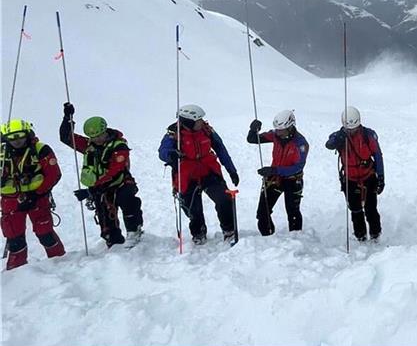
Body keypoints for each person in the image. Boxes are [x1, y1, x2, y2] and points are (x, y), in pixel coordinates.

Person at [60, 103, 144, 248]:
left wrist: (91, 191)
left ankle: (134, 231)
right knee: (106, 220)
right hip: (100, 188)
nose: (97, 139)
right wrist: (68, 118)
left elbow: (114, 172)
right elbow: (66, 138)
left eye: (100, 135)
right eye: (93, 137)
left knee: (128, 200)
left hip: (120, 183)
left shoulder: (119, 146)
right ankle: (113, 243)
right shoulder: (89, 146)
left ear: (105, 131)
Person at [158, 105, 239, 245]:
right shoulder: (174, 134)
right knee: (193, 209)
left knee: (224, 199)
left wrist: (231, 170)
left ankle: (229, 230)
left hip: (209, 171)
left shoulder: (206, 130)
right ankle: (198, 233)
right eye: (198, 120)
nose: (201, 122)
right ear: (188, 121)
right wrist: (171, 155)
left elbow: (221, 149)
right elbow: (162, 151)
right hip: (186, 176)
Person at [1, 119, 65, 270]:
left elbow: (53, 174)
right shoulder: (2, 154)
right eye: (12, 137)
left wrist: (36, 194)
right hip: (10, 200)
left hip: (38, 198)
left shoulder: (41, 149)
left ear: (27, 134)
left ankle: (61, 264)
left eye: (20, 136)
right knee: (14, 237)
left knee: (45, 232)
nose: (17, 141)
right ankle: (16, 271)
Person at [325, 106, 384, 242]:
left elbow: (378, 156)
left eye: (354, 128)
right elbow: (329, 144)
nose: (351, 131)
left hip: (368, 176)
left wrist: (381, 177)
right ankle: (360, 235)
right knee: (355, 209)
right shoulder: (339, 136)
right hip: (350, 179)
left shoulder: (368, 135)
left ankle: (375, 234)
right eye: (349, 129)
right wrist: (338, 139)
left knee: (371, 208)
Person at [248, 110, 309, 236]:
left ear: (290, 127)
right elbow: (253, 139)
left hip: (293, 180)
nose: (278, 132)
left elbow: (298, 167)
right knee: (262, 212)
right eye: (277, 129)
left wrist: (274, 170)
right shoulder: (274, 135)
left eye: (281, 130)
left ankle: (296, 238)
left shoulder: (301, 144)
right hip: (275, 178)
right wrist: (253, 130)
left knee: (292, 211)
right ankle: (267, 236)